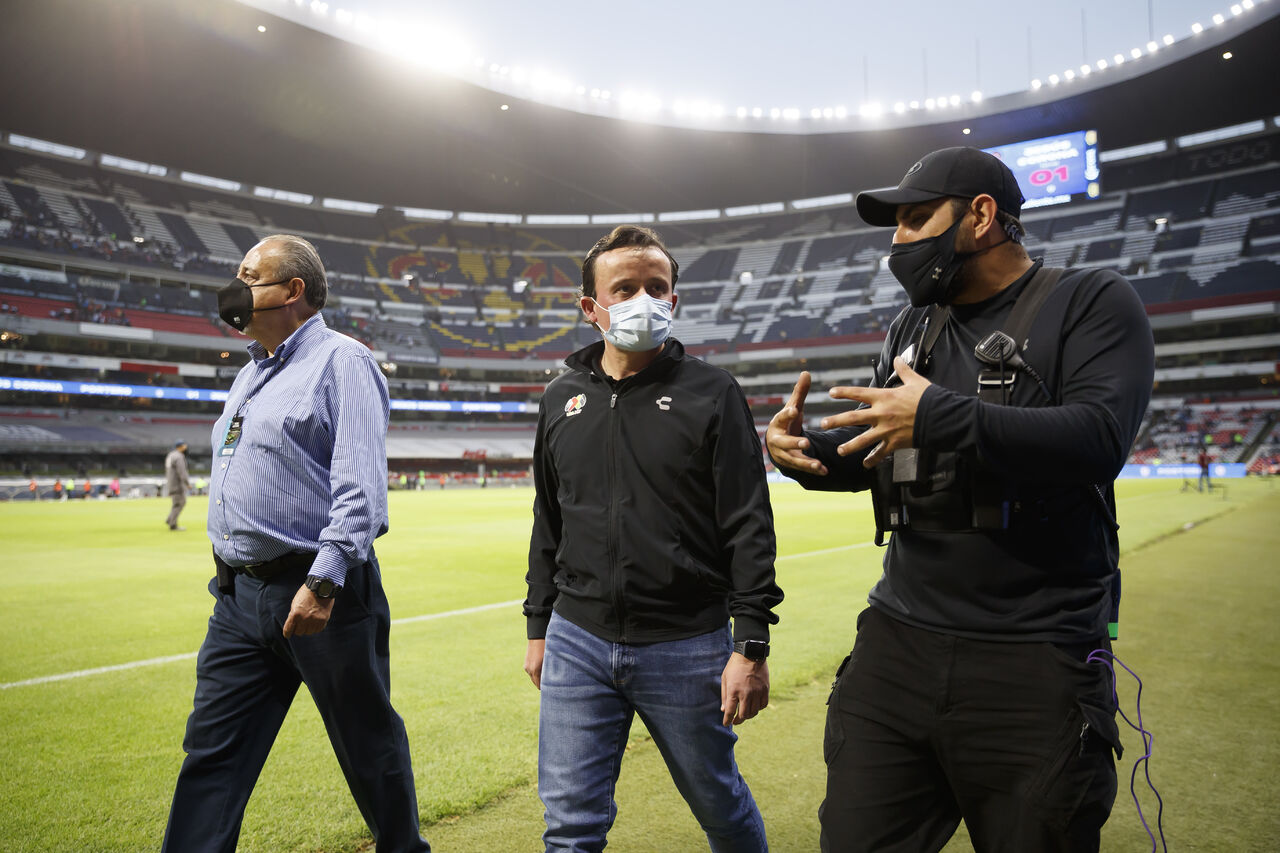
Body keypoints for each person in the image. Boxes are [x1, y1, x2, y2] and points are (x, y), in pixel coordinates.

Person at [765, 147, 1155, 852]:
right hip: (897, 645)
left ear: (980, 216)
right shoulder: (912, 328)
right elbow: (887, 453)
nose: (898, 241)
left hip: (1037, 656)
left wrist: (937, 416)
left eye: (916, 219)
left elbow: (1100, 438)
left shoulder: (1091, 300)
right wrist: (805, 455)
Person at [162, 235, 431, 853]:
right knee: (212, 753)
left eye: (249, 276)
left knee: (367, 746)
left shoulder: (343, 362)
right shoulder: (250, 372)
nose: (236, 287)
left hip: (318, 591)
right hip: (238, 598)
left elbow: (360, 488)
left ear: (293, 290)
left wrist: (323, 581)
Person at [523, 225, 783, 852]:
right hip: (578, 639)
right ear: (591, 308)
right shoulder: (561, 398)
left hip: (686, 642)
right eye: (625, 288)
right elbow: (549, 518)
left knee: (719, 806)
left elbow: (749, 521)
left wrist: (750, 644)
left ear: (674, 299)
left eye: (656, 286)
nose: (644, 299)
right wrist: (538, 627)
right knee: (570, 827)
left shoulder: (713, 393)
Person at [164, 440, 191, 529]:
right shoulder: (179, 456)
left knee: (176, 503)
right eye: (184, 446)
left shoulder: (171, 455)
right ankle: (173, 524)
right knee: (180, 503)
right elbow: (182, 471)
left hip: (171, 482)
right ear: (180, 446)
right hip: (177, 484)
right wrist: (187, 483)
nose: (186, 447)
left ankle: (170, 519)